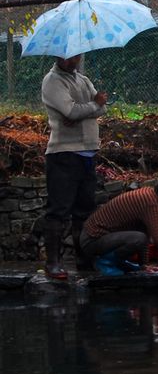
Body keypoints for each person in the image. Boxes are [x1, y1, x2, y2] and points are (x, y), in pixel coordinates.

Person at [41, 54, 108, 280]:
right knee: (59, 211)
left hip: (88, 151)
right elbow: (72, 111)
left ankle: (84, 259)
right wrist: (90, 106)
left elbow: (101, 109)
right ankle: (53, 263)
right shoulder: (53, 81)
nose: (73, 60)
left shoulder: (83, 79)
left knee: (85, 211)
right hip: (64, 153)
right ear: (57, 56)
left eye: (76, 56)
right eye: (68, 57)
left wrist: (85, 110)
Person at [80, 176, 158, 276]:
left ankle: (115, 262)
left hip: (102, 239)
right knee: (137, 238)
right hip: (92, 240)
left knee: (140, 237)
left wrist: (144, 265)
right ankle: (104, 263)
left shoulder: (151, 197)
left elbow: (146, 234)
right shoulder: (150, 202)